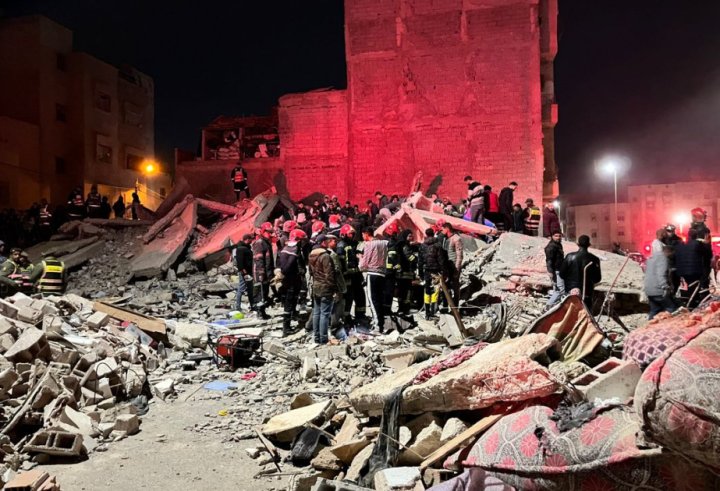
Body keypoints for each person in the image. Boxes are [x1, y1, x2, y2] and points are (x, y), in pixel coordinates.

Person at [308, 234, 339, 344]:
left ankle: (316, 337)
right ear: (323, 243)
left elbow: (311, 272)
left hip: (316, 286)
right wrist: (334, 288)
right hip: (325, 287)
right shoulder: (325, 256)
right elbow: (329, 274)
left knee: (316, 313)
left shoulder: (311, 255)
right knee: (325, 314)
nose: (328, 242)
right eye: (326, 241)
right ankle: (323, 338)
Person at [277, 229, 307, 336]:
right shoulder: (294, 250)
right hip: (291, 281)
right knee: (289, 303)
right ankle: (286, 328)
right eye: (302, 240)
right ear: (298, 240)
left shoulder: (286, 248)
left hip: (290, 280)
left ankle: (291, 320)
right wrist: (300, 272)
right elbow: (287, 267)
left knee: (291, 302)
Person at [560, 235, 602, 310]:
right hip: (587, 292)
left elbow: (562, 274)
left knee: (571, 312)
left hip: (571, 291)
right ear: (589, 244)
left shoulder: (569, 257)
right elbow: (597, 279)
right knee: (585, 312)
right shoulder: (594, 259)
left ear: (578, 244)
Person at [359, 226, 388, 332]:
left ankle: (377, 326)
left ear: (366, 234)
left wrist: (360, 258)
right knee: (379, 299)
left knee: (372, 300)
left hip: (372, 274)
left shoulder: (368, 245)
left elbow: (363, 265)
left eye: (363, 234)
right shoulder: (383, 243)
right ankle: (381, 323)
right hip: (382, 274)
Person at [673, 228, 712, 308]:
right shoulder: (698, 244)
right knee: (696, 288)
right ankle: (691, 304)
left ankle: (692, 302)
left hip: (681, 271)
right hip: (694, 271)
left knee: (691, 287)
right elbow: (708, 255)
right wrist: (707, 244)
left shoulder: (680, 245)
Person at [337, 224, 366, 324]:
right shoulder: (341, 245)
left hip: (356, 275)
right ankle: (346, 317)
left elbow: (362, 246)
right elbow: (341, 263)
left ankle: (360, 315)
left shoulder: (355, 244)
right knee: (348, 298)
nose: (352, 236)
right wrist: (344, 276)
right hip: (347, 277)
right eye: (350, 234)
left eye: (353, 234)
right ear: (343, 234)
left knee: (360, 296)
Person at [419, 228, 446, 319]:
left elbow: (420, 261)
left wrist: (420, 273)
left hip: (426, 270)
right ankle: (433, 312)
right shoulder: (438, 245)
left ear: (426, 234)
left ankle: (427, 313)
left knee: (427, 291)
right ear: (433, 233)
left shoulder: (422, 246)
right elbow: (441, 259)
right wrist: (443, 270)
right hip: (436, 270)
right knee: (435, 290)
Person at [644, 245, 676, 319]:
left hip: (648, 289)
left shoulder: (651, 258)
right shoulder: (663, 259)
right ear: (669, 252)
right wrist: (665, 287)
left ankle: (650, 324)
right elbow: (661, 274)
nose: (671, 257)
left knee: (654, 310)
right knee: (671, 308)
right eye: (671, 255)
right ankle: (668, 325)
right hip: (658, 290)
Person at [252, 222, 275, 319]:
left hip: (266, 272)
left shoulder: (266, 243)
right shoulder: (260, 243)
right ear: (263, 231)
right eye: (269, 232)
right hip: (260, 273)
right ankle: (260, 313)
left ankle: (263, 311)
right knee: (260, 293)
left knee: (264, 292)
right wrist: (261, 272)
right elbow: (259, 259)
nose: (271, 234)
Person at [396, 229, 418, 315]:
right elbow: (409, 257)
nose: (411, 237)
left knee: (403, 291)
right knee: (406, 291)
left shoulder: (403, 245)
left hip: (403, 273)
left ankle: (403, 308)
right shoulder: (405, 246)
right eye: (409, 236)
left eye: (412, 236)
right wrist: (416, 259)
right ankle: (404, 308)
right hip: (405, 273)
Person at [383, 222, 403, 316]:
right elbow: (393, 257)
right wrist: (398, 266)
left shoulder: (385, 242)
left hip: (385, 271)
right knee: (389, 291)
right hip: (390, 272)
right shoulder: (393, 243)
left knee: (386, 291)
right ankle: (387, 310)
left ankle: (385, 309)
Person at [443, 223, 463, 307]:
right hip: (447, 266)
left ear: (447, 229)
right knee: (446, 286)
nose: (442, 231)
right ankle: (447, 304)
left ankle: (455, 306)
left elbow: (459, 255)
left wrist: (457, 268)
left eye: (443, 229)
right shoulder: (445, 239)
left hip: (454, 266)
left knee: (455, 286)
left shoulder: (456, 239)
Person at [233, 234, 255, 312]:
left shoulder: (246, 248)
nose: (252, 241)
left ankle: (252, 305)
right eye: (251, 239)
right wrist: (244, 273)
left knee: (250, 289)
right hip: (244, 272)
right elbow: (240, 263)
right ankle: (237, 307)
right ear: (247, 239)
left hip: (249, 272)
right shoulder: (240, 249)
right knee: (241, 289)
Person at [544, 231, 565, 307]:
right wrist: (550, 271)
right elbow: (549, 260)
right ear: (552, 236)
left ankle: (553, 305)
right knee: (560, 290)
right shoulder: (551, 247)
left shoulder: (558, 245)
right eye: (556, 236)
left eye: (559, 236)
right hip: (556, 271)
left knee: (557, 289)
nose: (558, 237)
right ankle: (549, 305)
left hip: (559, 270)